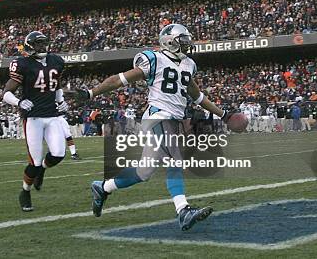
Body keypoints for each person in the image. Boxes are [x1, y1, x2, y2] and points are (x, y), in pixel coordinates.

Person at [71, 24, 236, 231]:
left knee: (144, 172)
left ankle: (103, 187)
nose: (188, 44)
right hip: (157, 116)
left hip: (173, 120)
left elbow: (198, 97)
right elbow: (118, 80)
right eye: (183, 39)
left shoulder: (189, 64)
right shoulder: (154, 59)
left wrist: (224, 115)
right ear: (170, 41)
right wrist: (90, 93)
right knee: (176, 156)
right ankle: (183, 211)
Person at [3, 31, 67, 212]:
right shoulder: (22, 64)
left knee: (58, 154)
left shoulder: (56, 61)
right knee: (35, 162)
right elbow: (6, 93)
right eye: (38, 44)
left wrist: (61, 102)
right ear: (30, 46)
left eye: (43, 43)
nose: (42, 47)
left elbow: (57, 85)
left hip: (52, 115)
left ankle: (42, 171)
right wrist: (19, 102)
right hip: (33, 118)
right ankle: (25, 191)